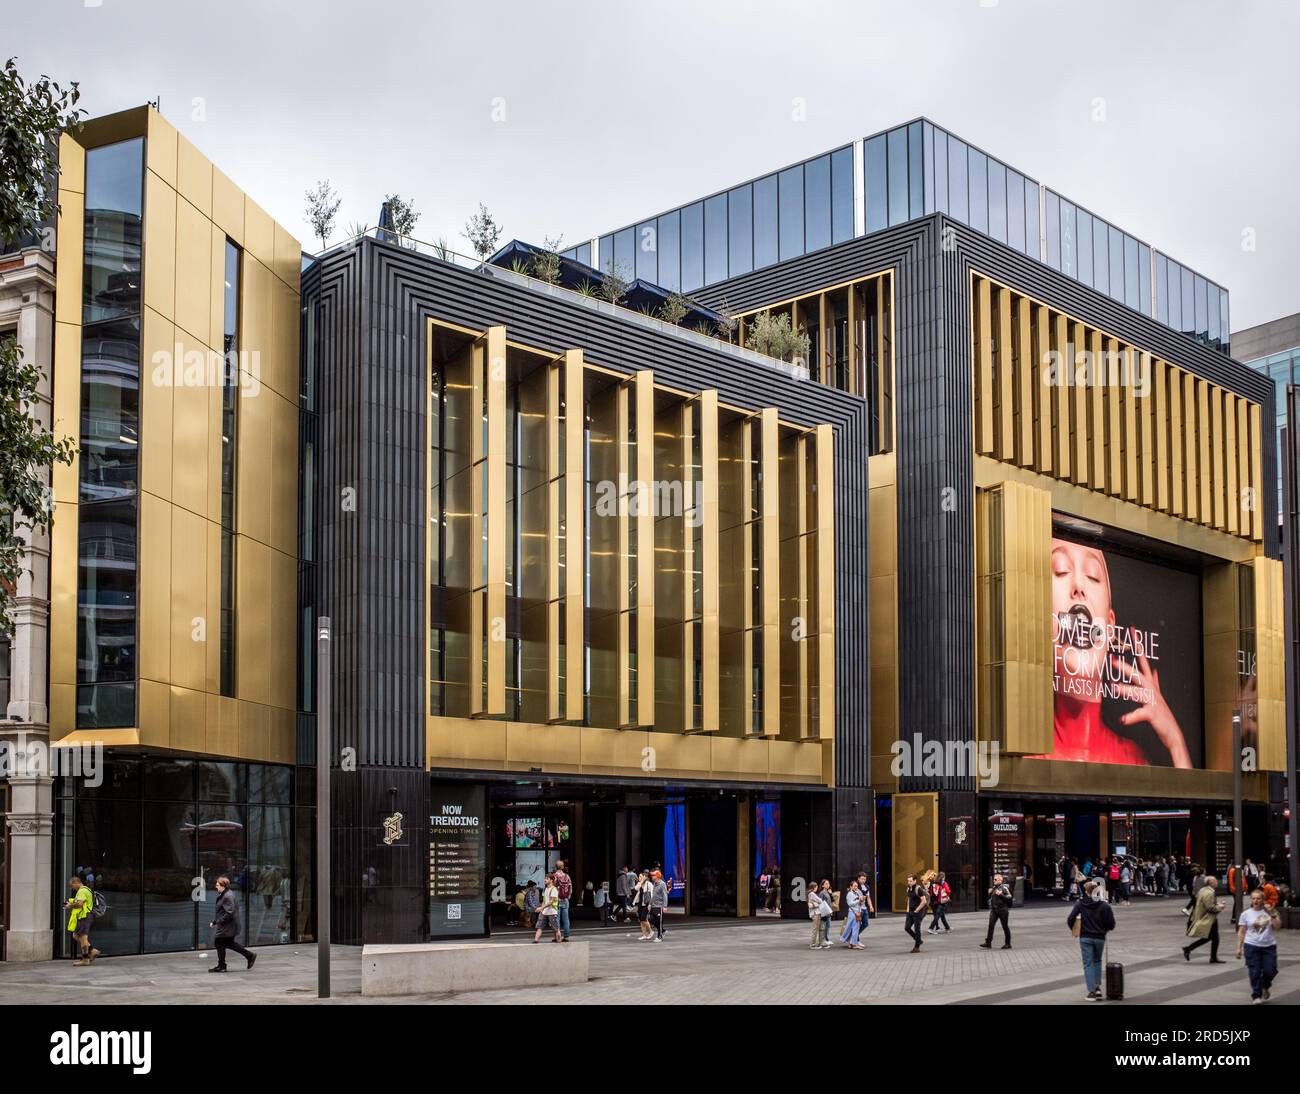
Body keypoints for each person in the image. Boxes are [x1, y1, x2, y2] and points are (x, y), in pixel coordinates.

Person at [1034, 539, 1193, 767]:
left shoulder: (1134, 760)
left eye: (1092, 575)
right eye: (1060, 570)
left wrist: (1176, 743)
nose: (1078, 585)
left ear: (1110, 627)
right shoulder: (1023, 756)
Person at [1068, 879, 1116, 1000]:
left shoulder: (1080, 903)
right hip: (1100, 937)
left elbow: (1070, 918)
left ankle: (1092, 991)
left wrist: (1074, 928)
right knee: (1097, 961)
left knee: (1088, 963)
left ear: (1086, 891)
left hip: (1085, 936)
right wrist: (1105, 929)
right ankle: (1098, 988)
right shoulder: (1104, 905)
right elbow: (1111, 923)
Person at [1235, 887, 1281, 1003]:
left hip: (1269, 946)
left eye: (1258, 898)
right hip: (1251, 946)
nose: (1256, 901)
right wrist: (1239, 948)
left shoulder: (1270, 912)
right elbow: (1241, 931)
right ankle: (1256, 996)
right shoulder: (1246, 914)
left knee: (1270, 970)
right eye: (1253, 898)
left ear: (1263, 899)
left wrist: (1272, 913)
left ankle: (1265, 985)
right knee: (1254, 971)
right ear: (1251, 900)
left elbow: (1278, 927)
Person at [208, 876, 256, 972]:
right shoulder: (225, 894)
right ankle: (249, 955)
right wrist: (215, 921)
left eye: (217, 885)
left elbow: (229, 912)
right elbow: (224, 911)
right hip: (228, 925)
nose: (215, 886)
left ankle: (222, 966)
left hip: (228, 926)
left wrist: (217, 922)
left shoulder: (227, 896)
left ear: (223, 885)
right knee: (229, 943)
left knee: (219, 943)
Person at [1183, 875, 1225, 964]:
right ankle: (1189, 949)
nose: (1217, 882)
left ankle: (1189, 949)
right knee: (1214, 938)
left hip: (1206, 917)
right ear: (1211, 883)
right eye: (1215, 881)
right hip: (1208, 918)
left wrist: (1216, 903)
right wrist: (1220, 907)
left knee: (1212, 937)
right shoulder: (1209, 893)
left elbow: (1204, 902)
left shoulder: (1203, 890)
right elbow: (1210, 907)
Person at [64, 876, 98, 966]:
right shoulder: (86, 889)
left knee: (83, 938)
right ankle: (92, 950)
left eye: (72, 886)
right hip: (86, 916)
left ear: (76, 883)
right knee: (76, 935)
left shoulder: (81, 891)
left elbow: (79, 904)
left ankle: (85, 958)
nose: (72, 888)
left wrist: (69, 906)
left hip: (84, 916)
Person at [981, 872, 1013, 950]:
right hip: (994, 910)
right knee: (990, 926)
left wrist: (1001, 894)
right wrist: (989, 893)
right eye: (993, 879)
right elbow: (990, 899)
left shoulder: (1004, 888)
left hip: (1003, 910)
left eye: (995, 879)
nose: (994, 881)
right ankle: (988, 943)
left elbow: (1009, 898)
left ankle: (1008, 944)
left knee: (1005, 927)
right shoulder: (994, 888)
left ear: (1000, 880)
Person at [534, 874, 562, 943]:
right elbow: (544, 900)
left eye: (547, 878)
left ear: (551, 880)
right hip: (544, 911)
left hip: (552, 911)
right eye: (545, 878)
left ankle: (559, 941)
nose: (545, 880)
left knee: (555, 928)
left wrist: (541, 908)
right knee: (539, 926)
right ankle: (536, 940)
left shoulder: (554, 889)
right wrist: (542, 909)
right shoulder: (545, 889)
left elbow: (551, 902)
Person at [903, 874, 928, 953]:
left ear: (915, 881)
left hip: (918, 912)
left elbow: (924, 901)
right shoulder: (908, 888)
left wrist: (917, 910)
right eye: (908, 881)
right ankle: (918, 940)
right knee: (907, 927)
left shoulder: (918, 889)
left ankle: (917, 947)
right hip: (910, 911)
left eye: (911, 881)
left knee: (917, 929)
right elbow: (909, 900)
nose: (909, 882)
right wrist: (907, 911)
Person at [839, 880, 864, 949]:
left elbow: (859, 904)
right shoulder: (850, 894)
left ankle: (851, 943)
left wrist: (861, 900)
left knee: (852, 928)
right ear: (850, 887)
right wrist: (859, 900)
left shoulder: (856, 893)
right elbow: (850, 903)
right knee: (855, 929)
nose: (856, 887)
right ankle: (854, 944)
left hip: (856, 913)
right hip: (853, 913)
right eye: (854, 886)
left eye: (857, 886)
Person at [552, 859, 573, 942]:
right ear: (563, 867)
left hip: (556, 900)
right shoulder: (567, 876)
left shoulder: (554, 876)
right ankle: (566, 936)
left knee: (556, 919)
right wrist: (568, 896)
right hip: (565, 899)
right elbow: (570, 887)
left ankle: (557, 936)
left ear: (555, 867)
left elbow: (552, 888)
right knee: (566, 919)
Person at [808, 880, 831, 949]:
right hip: (816, 913)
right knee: (815, 929)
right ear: (813, 887)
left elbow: (818, 902)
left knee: (821, 928)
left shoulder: (812, 894)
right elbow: (820, 900)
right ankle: (813, 944)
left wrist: (816, 904)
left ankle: (821, 942)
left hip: (818, 913)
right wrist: (817, 904)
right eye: (816, 887)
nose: (817, 888)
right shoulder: (811, 894)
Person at [650, 870, 668, 941]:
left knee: (659, 921)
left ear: (657, 876)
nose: (652, 876)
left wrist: (665, 906)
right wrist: (650, 904)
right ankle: (662, 930)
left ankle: (659, 936)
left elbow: (665, 895)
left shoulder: (662, 884)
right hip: (653, 906)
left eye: (653, 875)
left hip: (659, 906)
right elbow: (653, 895)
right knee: (650, 919)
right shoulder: (654, 883)